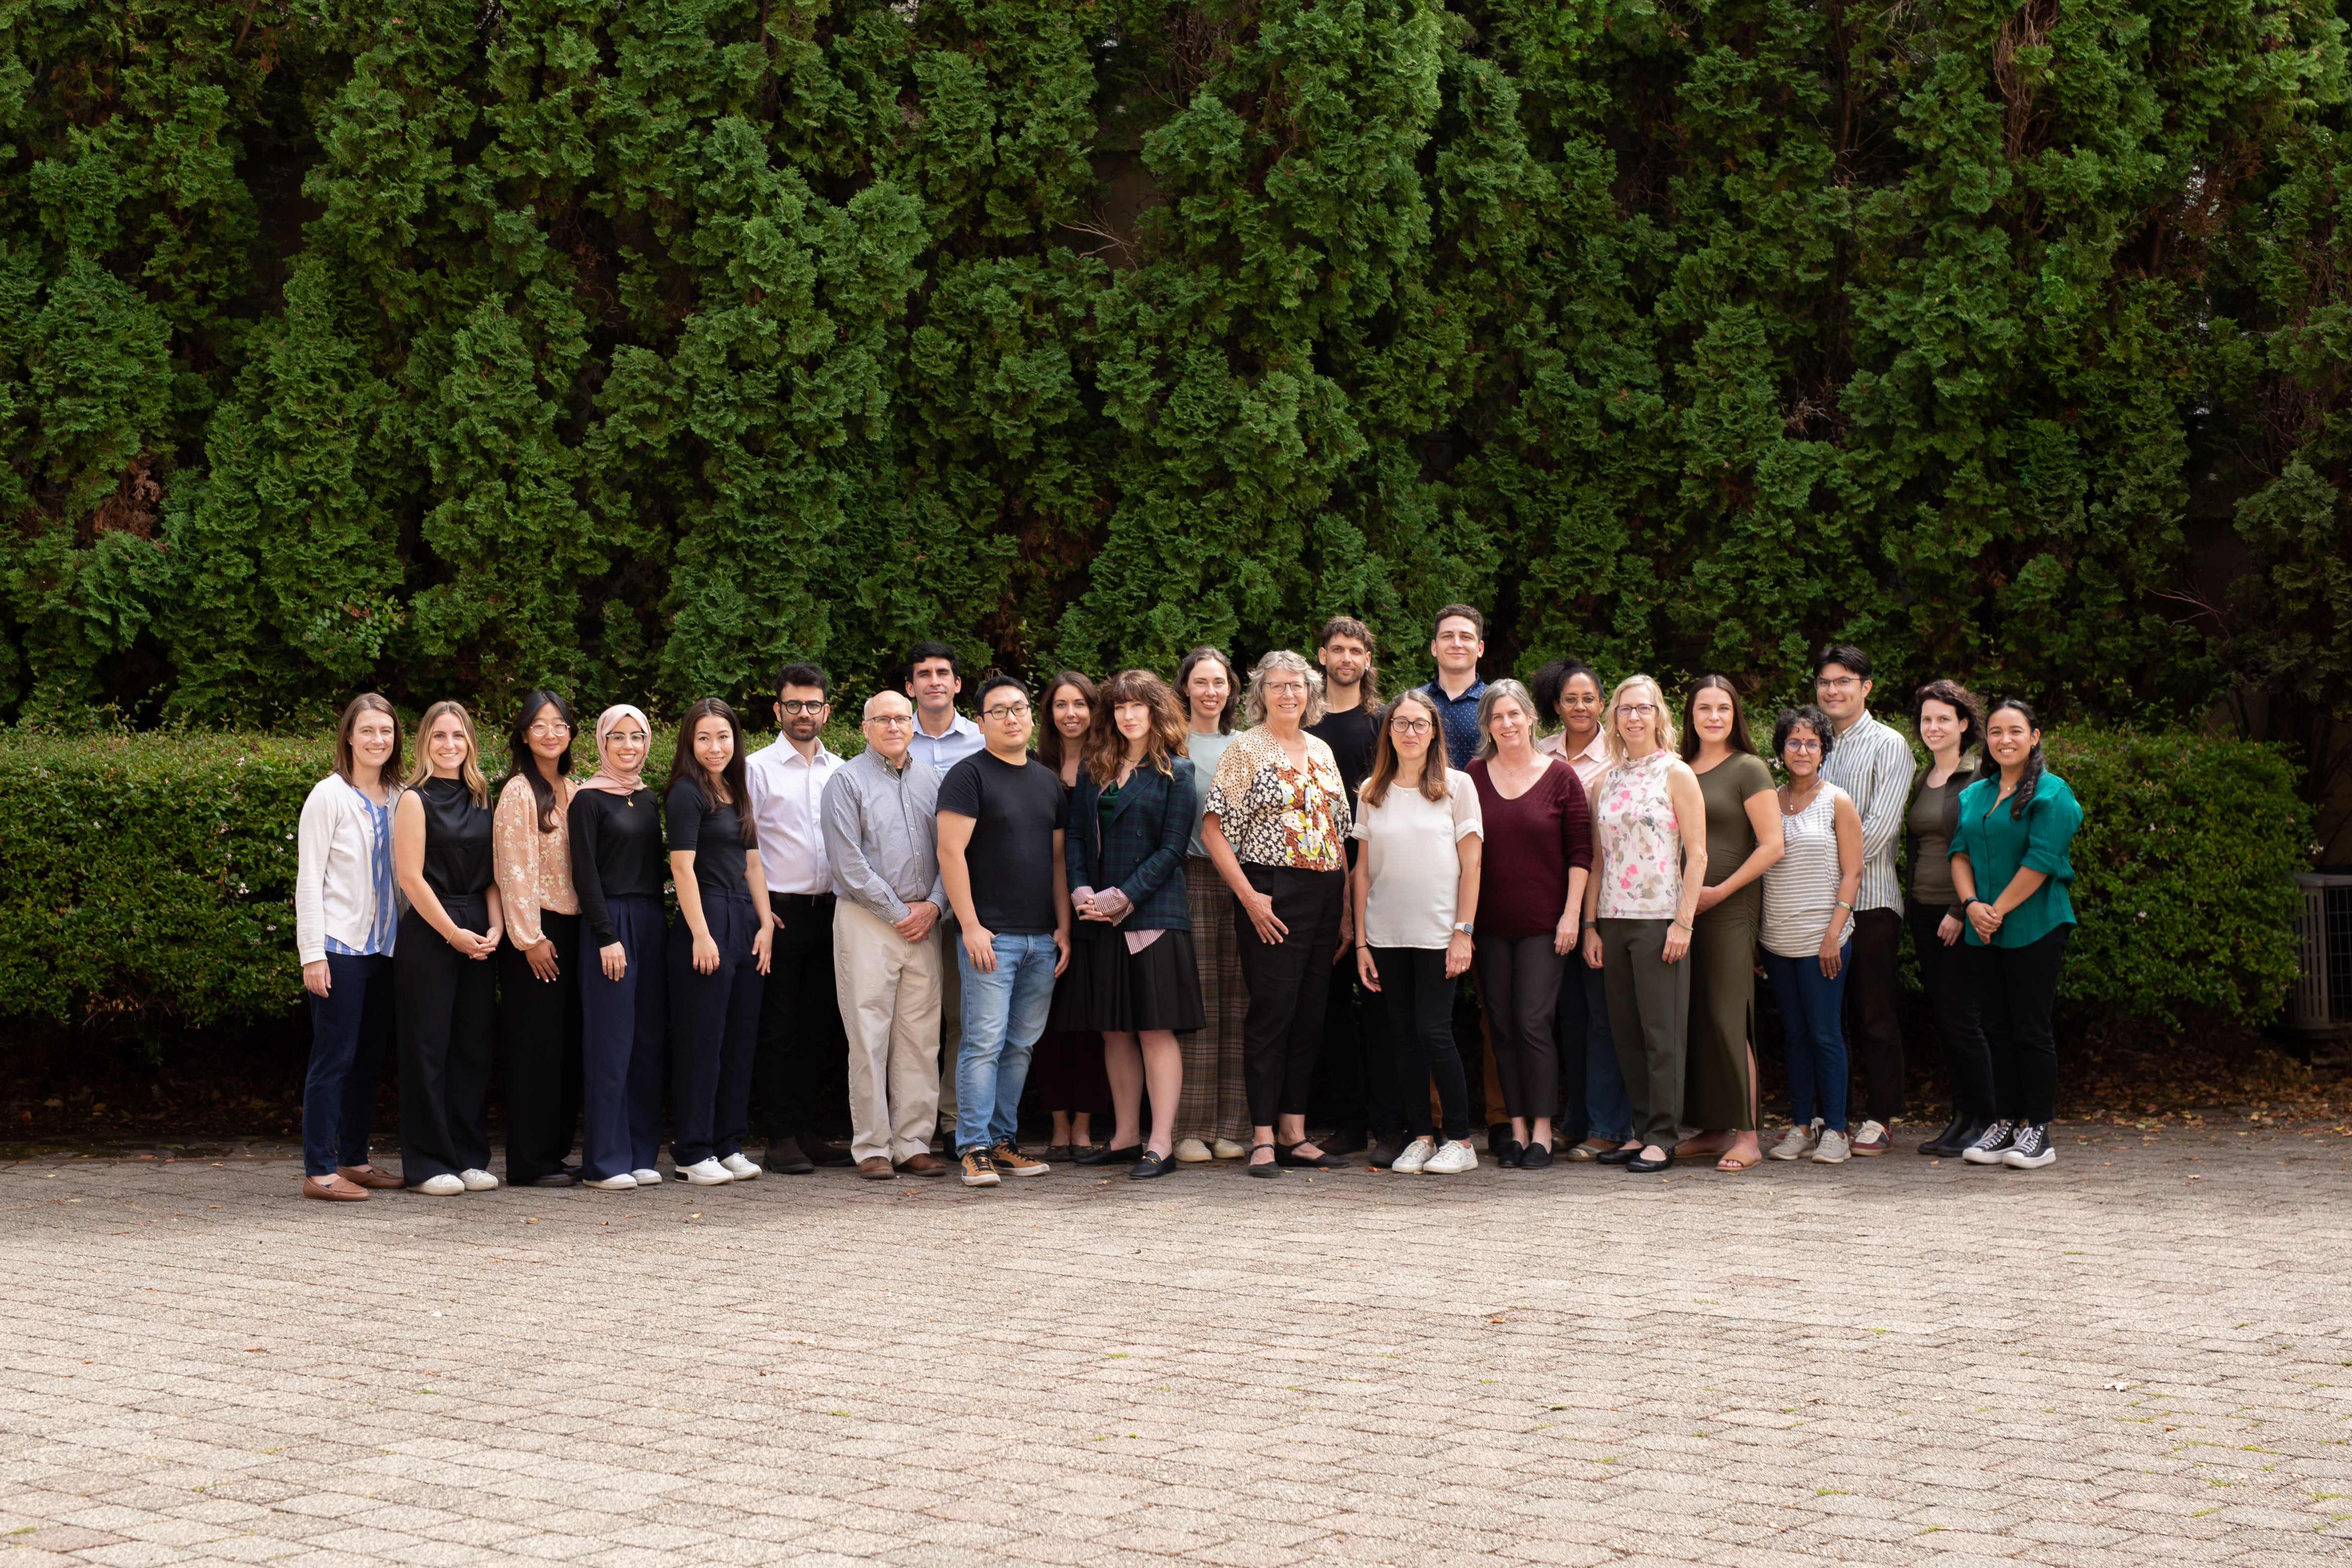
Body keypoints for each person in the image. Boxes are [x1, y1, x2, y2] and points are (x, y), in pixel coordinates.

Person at [1202, 649, 1353, 1177]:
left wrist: (1346, 913)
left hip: (1325, 893)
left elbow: (1338, 832)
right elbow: (1212, 827)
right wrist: (1249, 896)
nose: (1288, 694)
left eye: (1297, 686)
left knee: (1309, 1014)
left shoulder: (1322, 749)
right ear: (1259, 694)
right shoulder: (1246, 749)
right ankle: (1262, 1136)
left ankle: (1294, 1130)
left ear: (1310, 694)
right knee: (1272, 1013)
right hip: (1271, 890)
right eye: (1277, 686)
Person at [1060, 670, 1203, 1180]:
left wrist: (1124, 896)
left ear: (1155, 711)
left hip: (1154, 916)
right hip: (1097, 916)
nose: (1127, 714)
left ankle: (1160, 1144)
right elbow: (1075, 838)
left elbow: (1172, 848)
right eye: (1118, 706)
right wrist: (1081, 891)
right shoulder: (1092, 768)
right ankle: (1124, 1137)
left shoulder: (1178, 772)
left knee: (1153, 1031)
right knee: (1114, 1031)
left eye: (1136, 706)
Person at [937, 674, 1073, 1188]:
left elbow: (1058, 860)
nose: (1012, 717)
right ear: (980, 721)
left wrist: (1063, 927)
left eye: (1019, 707)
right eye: (999, 710)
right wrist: (970, 926)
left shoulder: (1045, 780)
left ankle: (1001, 1140)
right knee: (984, 1041)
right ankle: (971, 1146)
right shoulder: (968, 776)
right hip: (991, 937)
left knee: (1019, 1044)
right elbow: (949, 852)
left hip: (1042, 938)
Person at [1351, 689, 1483, 1175]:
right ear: (1389, 731)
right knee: (1403, 1036)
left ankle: (1461, 1140)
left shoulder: (1457, 786)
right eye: (1400, 723)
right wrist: (1362, 940)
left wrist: (1463, 931)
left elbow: (1472, 865)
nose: (1410, 731)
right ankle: (1422, 1136)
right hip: (1386, 934)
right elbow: (1361, 872)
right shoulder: (1371, 791)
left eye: (1419, 723)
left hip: (1438, 932)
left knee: (1434, 1031)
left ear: (1434, 732)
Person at [1579, 675, 1707, 1173]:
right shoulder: (1604, 780)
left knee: (1661, 1032)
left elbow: (1697, 855)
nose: (1633, 717)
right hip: (1613, 918)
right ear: (1614, 716)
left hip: (1660, 920)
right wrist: (1590, 924)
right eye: (1625, 708)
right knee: (1626, 1032)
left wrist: (1683, 922)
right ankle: (1640, 1130)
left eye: (1643, 708)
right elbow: (1595, 858)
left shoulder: (1675, 773)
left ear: (1659, 715)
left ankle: (1663, 1135)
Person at [1950, 697, 2083, 1171]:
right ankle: (2004, 1123)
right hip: (1982, 928)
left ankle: (2038, 1130)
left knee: (2030, 1029)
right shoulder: (1975, 794)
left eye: (2015, 731)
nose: (2004, 740)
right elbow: (1959, 853)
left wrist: (1996, 911)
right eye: (1995, 732)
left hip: (2034, 926)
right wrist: (1971, 907)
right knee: (1996, 1029)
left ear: (2034, 736)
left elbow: (2043, 861)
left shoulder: (2053, 793)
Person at [821, 691, 950, 1180]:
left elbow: (951, 851)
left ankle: (913, 1141)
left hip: (925, 919)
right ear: (864, 726)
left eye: (901, 717)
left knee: (920, 1037)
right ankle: (872, 1145)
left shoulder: (932, 779)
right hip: (868, 920)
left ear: (912, 724)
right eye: (883, 718)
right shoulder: (845, 781)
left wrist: (935, 905)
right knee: (868, 1035)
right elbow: (848, 863)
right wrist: (902, 912)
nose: (893, 725)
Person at [1466, 678, 1590, 1169]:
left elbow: (1581, 852)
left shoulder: (1561, 777)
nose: (1507, 722)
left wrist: (1571, 914)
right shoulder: (1472, 776)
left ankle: (1543, 1129)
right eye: (1497, 716)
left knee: (1532, 1021)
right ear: (1488, 725)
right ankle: (1515, 1129)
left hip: (1545, 924)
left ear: (1531, 717)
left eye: (1514, 713)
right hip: (1489, 925)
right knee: (1500, 1025)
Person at [295, 694, 406, 1202]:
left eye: (386, 730)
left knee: (367, 1060)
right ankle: (319, 1170)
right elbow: (308, 880)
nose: (377, 738)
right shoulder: (328, 795)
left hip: (386, 948)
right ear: (348, 736)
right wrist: (311, 953)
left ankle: (353, 1159)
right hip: (339, 948)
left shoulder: (402, 794)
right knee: (333, 1058)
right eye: (367, 730)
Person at [393, 701, 504, 1196]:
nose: (449, 745)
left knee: (473, 1048)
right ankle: (427, 1162)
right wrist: (451, 933)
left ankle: (467, 1156)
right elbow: (410, 878)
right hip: (432, 930)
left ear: (470, 743)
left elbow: (494, 875)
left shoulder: (484, 797)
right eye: (439, 736)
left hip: (480, 929)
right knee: (427, 1049)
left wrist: (497, 927)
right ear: (425, 743)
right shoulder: (414, 799)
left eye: (458, 736)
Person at [665, 698, 776, 1186]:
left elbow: (753, 863)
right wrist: (701, 933)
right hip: (705, 918)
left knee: (738, 1042)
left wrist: (766, 923)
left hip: (745, 920)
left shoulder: (737, 788)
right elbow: (681, 867)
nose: (716, 746)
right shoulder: (686, 794)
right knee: (701, 1043)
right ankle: (693, 1149)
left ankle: (728, 1142)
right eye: (705, 737)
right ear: (691, 741)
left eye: (724, 736)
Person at [1675, 676, 1783, 1173]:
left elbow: (1771, 844)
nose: (1713, 716)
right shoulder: (1676, 768)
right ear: (1690, 714)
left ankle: (1747, 1134)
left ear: (1734, 714)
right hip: (1679, 913)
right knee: (1694, 1018)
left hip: (1728, 908)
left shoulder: (1747, 768)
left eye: (1722, 708)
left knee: (1726, 1016)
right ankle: (1713, 1128)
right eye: (1703, 707)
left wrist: (1719, 891)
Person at [744, 662, 847, 1175]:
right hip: (780, 915)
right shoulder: (756, 768)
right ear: (777, 709)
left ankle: (805, 1131)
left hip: (832, 914)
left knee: (816, 1028)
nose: (803, 713)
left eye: (812, 704)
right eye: (793, 704)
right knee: (778, 1029)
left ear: (827, 710)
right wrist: (762, 914)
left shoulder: (842, 769)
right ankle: (779, 1136)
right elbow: (748, 850)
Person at [1814, 644, 1916, 1155]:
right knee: (1824, 1015)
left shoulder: (1889, 744)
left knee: (1872, 1012)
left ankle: (1880, 1115)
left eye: (1844, 680)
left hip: (1870, 902)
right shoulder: (1811, 742)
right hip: (1815, 907)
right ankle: (1829, 1115)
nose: (1833, 690)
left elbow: (1879, 830)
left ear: (1866, 687)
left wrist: (1825, 873)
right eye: (1825, 681)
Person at [1533, 658, 1633, 1161]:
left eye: (1588, 698)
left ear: (1602, 703)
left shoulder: (1618, 757)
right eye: (1569, 699)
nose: (1579, 707)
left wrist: (1587, 916)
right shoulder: (1539, 753)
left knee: (1602, 1016)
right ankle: (1574, 1119)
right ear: (1556, 704)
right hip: (1548, 900)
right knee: (1568, 1016)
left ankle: (1608, 1123)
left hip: (1603, 903)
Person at [1759, 706, 1865, 1164]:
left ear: (1823, 750)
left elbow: (1854, 871)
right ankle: (1801, 1126)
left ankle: (1837, 1130)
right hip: (1776, 938)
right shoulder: (1766, 799)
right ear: (1780, 750)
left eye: (1811, 743)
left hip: (1824, 937)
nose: (1802, 751)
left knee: (1825, 1034)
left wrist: (1833, 933)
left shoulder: (1836, 800)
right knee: (1794, 1036)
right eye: (1793, 742)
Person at [570, 705, 668, 1190]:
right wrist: (607, 934)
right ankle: (605, 1161)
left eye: (637, 736)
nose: (629, 746)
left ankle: (640, 1152)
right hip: (610, 924)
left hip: (651, 919)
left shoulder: (648, 798)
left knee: (647, 1041)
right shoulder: (587, 799)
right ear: (601, 743)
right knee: (611, 1042)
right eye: (618, 737)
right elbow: (584, 873)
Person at [493, 691, 585, 1189]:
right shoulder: (519, 792)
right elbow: (514, 869)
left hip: (573, 931)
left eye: (560, 724)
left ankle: (553, 1152)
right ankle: (529, 1161)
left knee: (566, 1046)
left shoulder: (573, 787)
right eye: (539, 725)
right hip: (536, 932)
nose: (551, 732)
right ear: (524, 734)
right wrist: (529, 937)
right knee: (536, 1049)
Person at [1308, 615, 1391, 1160]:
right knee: (1331, 1008)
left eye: (1355, 650)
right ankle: (1350, 1123)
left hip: (1384, 874)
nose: (1346, 658)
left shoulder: (1384, 722)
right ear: (1321, 656)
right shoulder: (1304, 726)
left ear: (1367, 660)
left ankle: (1393, 1124)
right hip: (1319, 877)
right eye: (1337, 649)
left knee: (1386, 1007)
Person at [1171, 645, 1252, 1163]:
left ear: (1231, 688)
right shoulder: (1170, 744)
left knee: (1241, 1004)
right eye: (1200, 681)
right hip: (1190, 877)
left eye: (1218, 681)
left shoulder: (1248, 744)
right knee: (1197, 1003)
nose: (1210, 691)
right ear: (1184, 687)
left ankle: (1232, 1126)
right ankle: (1189, 1127)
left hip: (1245, 883)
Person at [1907, 680, 1994, 1158]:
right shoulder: (1924, 777)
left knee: (1962, 1018)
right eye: (1926, 719)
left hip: (1956, 912)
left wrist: (1961, 909)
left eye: (1943, 718)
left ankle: (1987, 1118)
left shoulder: (1978, 776)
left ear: (1963, 723)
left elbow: (1983, 845)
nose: (1933, 726)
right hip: (1922, 910)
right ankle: (1961, 1118)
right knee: (1946, 1017)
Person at [905, 640, 983, 1148]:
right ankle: (910, 1124)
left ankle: (954, 1120)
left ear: (957, 683)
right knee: (912, 1020)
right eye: (923, 674)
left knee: (961, 1015)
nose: (934, 680)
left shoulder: (983, 741)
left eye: (944, 672)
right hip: (906, 906)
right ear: (909, 687)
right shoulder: (890, 736)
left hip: (966, 901)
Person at [1035, 671, 1112, 1162]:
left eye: (1080, 703)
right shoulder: (1032, 767)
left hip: (1096, 907)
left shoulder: (1109, 767)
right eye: (1061, 704)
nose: (1071, 713)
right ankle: (1057, 1123)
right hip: (1038, 908)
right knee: (1045, 1024)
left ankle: (1084, 1125)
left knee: (1090, 1021)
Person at [1421, 604, 1488, 771]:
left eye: (1466, 637)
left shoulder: (1496, 704)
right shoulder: (1414, 703)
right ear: (1434, 648)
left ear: (1480, 648)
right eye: (1447, 636)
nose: (1457, 644)